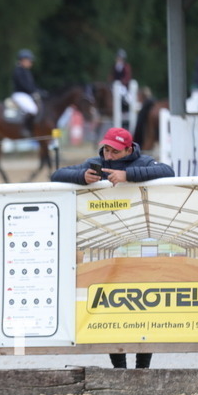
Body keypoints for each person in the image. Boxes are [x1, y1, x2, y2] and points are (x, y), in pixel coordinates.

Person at [50, 126, 175, 369]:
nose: (108, 155)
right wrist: (82, 177)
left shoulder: (144, 161)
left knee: (143, 313)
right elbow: (57, 175)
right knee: (109, 310)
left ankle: (142, 369)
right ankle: (119, 369)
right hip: (113, 243)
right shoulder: (95, 163)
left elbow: (167, 171)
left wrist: (128, 175)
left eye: (114, 151)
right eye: (106, 149)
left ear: (129, 149)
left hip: (137, 242)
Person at [10, 48, 40, 136]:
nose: (31, 62)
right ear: (23, 60)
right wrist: (34, 91)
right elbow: (24, 85)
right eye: (29, 60)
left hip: (26, 95)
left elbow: (32, 85)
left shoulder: (26, 71)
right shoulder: (18, 71)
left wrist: (39, 91)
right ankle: (26, 129)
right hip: (20, 94)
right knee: (32, 110)